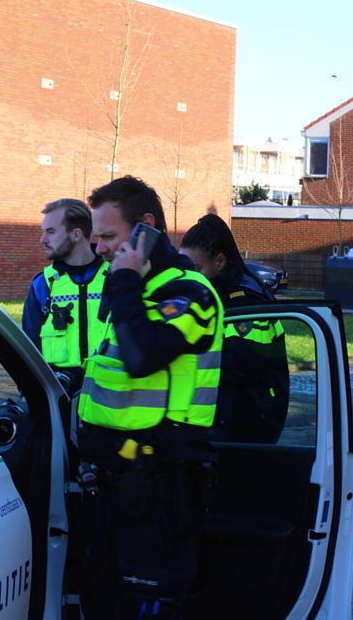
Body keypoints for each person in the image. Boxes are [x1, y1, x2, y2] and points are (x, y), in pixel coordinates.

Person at [78, 175, 223, 620]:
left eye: (108, 236)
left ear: (146, 227)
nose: (99, 248)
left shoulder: (189, 292)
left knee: (144, 608)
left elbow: (142, 356)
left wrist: (124, 280)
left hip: (161, 490)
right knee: (101, 602)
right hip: (116, 485)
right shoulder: (137, 289)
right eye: (96, 237)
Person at [179, 214, 289, 444]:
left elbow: (244, 365)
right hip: (231, 417)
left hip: (248, 423)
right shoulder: (215, 295)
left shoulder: (243, 300)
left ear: (219, 261)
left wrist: (186, 362)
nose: (190, 278)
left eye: (196, 269)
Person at [23, 198, 109, 393]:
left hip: (109, 395)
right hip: (60, 394)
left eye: (51, 232)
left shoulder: (116, 276)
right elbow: (29, 352)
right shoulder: (43, 284)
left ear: (76, 234)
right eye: (43, 232)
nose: (43, 239)